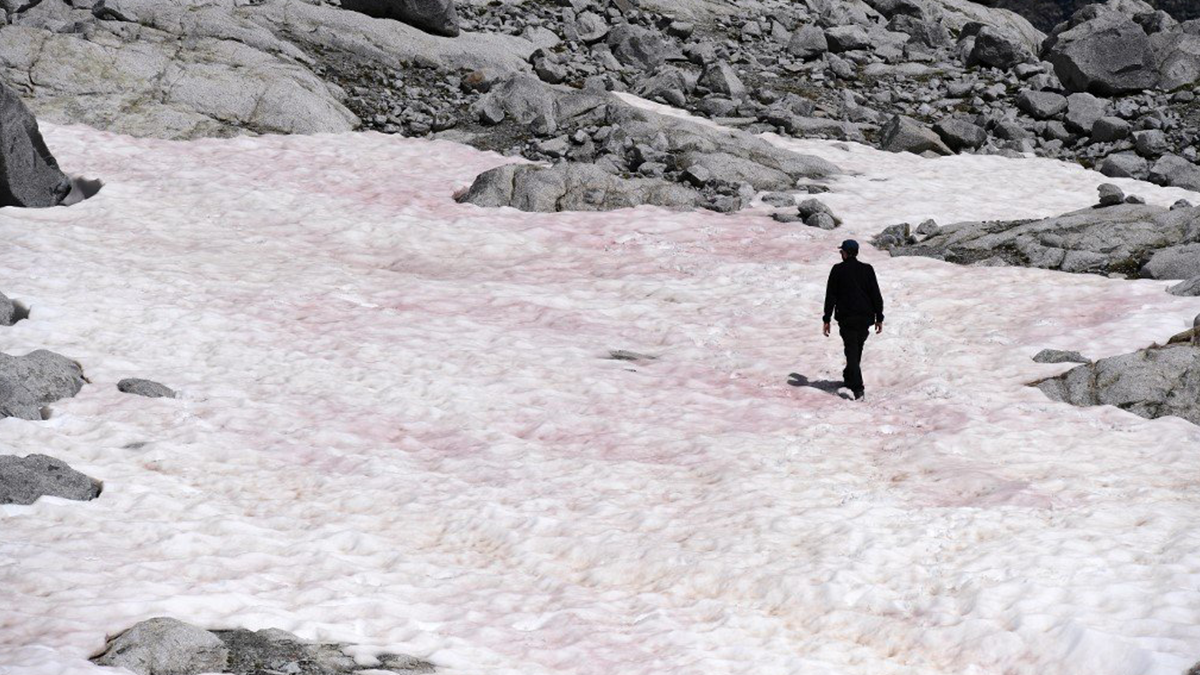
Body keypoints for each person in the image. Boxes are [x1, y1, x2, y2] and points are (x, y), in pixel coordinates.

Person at [822, 239, 884, 401]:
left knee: (851, 351)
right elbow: (875, 294)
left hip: (847, 318)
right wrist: (879, 317)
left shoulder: (837, 270)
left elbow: (831, 296)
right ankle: (849, 376)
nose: (840, 254)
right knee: (856, 349)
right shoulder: (867, 269)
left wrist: (826, 318)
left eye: (841, 251)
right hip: (865, 318)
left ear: (846, 253)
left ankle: (857, 388)